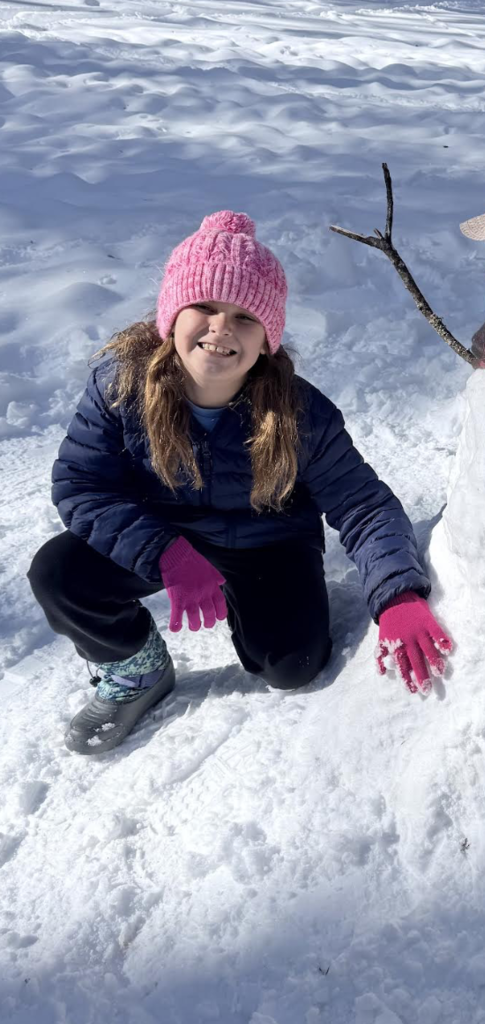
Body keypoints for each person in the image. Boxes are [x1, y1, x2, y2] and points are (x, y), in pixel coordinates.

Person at [28, 210, 452, 755]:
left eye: (244, 316)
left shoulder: (301, 413)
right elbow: (81, 485)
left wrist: (398, 596)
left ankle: (249, 602)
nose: (221, 328)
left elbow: (363, 504)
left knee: (293, 666)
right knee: (59, 573)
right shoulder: (122, 388)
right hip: (166, 533)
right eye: (203, 307)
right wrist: (166, 555)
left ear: (267, 338)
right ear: (171, 315)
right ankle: (138, 669)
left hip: (265, 542)